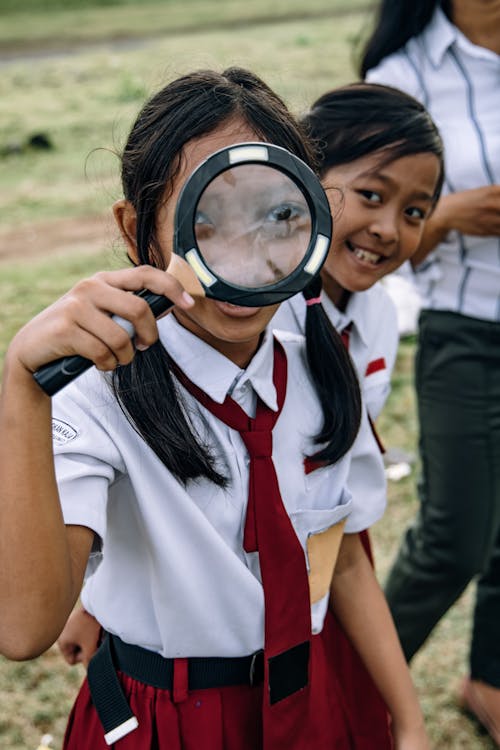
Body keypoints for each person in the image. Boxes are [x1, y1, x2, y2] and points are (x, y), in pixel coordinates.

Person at [0, 67, 430, 749]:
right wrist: (22, 389)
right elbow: (23, 630)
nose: (247, 257)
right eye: (208, 223)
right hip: (164, 723)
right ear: (138, 229)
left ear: (313, 220)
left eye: (277, 216)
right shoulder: (94, 394)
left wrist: (408, 722)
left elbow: (341, 559)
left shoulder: (320, 365)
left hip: (307, 703)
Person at [361, 1, 500, 744]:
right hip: (465, 329)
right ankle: (356, 693)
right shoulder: (402, 75)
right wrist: (447, 214)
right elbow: (361, 232)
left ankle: (490, 680)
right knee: (456, 536)